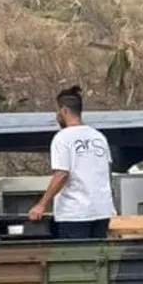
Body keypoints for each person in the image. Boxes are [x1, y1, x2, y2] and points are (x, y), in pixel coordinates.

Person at [28, 86, 117, 238]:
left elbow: (62, 173)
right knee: (98, 257)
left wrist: (42, 204)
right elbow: (106, 171)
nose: (57, 116)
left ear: (64, 110)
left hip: (75, 213)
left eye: (57, 111)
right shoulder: (99, 137)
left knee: (77, 258)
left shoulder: (62, 138)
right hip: (102, 211)